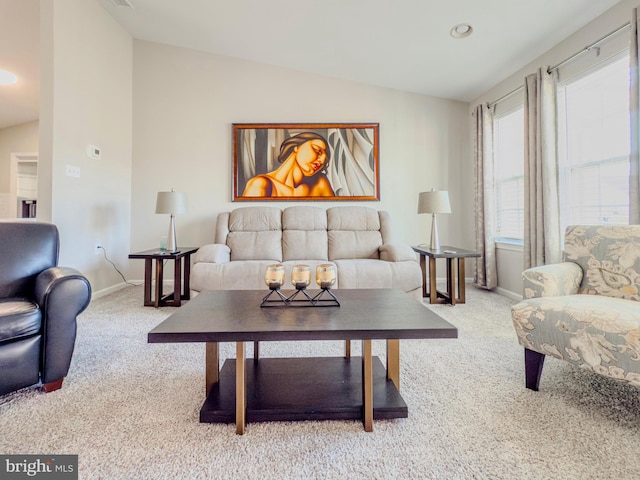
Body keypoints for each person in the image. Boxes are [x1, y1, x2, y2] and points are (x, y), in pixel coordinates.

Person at [242, 132, 335, 197]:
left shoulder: (320, 182)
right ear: (296, 148)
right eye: (317, 151)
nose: (322, 161)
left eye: (325, 159)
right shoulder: (260, 184)